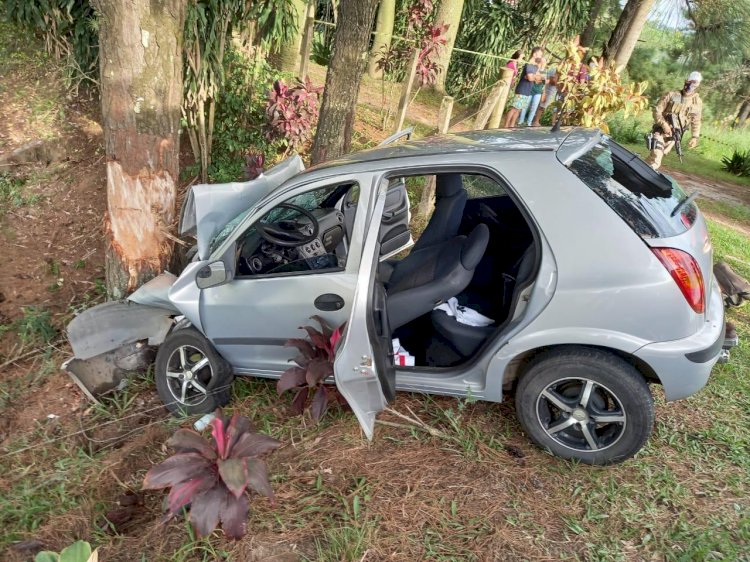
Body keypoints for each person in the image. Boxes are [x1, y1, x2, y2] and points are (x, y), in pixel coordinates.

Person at [647, 71, 703, 170]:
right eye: (691, 81)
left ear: (698, 85)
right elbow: (657, 111)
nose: (692, 85)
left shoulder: (696, 102)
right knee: (656, 158)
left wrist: (694, 137)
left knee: (655, 157)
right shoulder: (671, 95)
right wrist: (664, 124)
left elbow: (696, 121)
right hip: (660, 132)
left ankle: (634, 168)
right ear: (686, 80)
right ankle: (645, 177)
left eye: (695, 83)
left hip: (673, 137)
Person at [503, 46, 544, 128]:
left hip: (527, 90)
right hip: (522, 89)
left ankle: (511, 126)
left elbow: (538, 79)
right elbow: (531, 78)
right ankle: (505, 126)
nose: (541, 56)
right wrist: (534, 77)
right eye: (540, 54)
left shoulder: (535, 66)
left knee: (519, 110)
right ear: (535, 54)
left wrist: (535, 77)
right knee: (514, 108)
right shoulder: (529, 64)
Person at [520, 56, 545, 126]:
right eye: (541, 62)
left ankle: (529, 123)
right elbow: (531, 78)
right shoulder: (533, 68)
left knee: (534, 108)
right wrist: (538, 78)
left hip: (538, 92)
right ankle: (521, 121)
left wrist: (538, 77)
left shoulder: (544, 71)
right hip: (530, 90)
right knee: (525, 106)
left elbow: (544, 81)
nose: (542, 64)